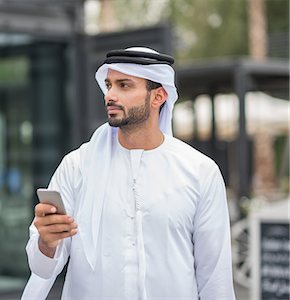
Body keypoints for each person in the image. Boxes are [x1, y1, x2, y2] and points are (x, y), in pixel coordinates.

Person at [21, 47, 236, 300]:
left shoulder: (199, 171)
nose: (110, 95)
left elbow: (215, 279)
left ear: (158, 97)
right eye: (109, 85)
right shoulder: (77, 166)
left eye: (124, 85)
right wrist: (47, 241)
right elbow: (43, 269)